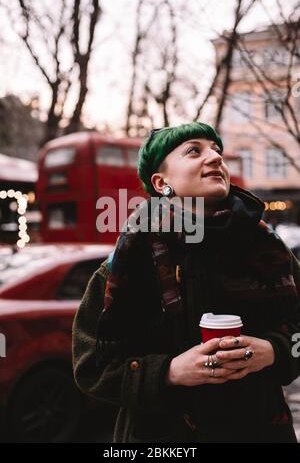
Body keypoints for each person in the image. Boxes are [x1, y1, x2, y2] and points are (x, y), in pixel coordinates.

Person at [72, 122, 300, 443]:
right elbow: (90, 366)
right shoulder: (131, 257)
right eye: (194, 150)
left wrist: (274, 350)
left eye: (217, 150)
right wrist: (169, 372)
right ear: (161, 182)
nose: (215, 157)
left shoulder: (268, 246)